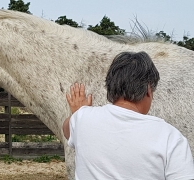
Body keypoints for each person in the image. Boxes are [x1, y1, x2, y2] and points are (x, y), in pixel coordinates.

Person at [63, 51, 194, 180]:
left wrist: (79, 112)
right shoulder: (171, 137)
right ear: (148, 89)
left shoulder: (82, 119)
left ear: (110, 87)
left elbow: (67, 130)